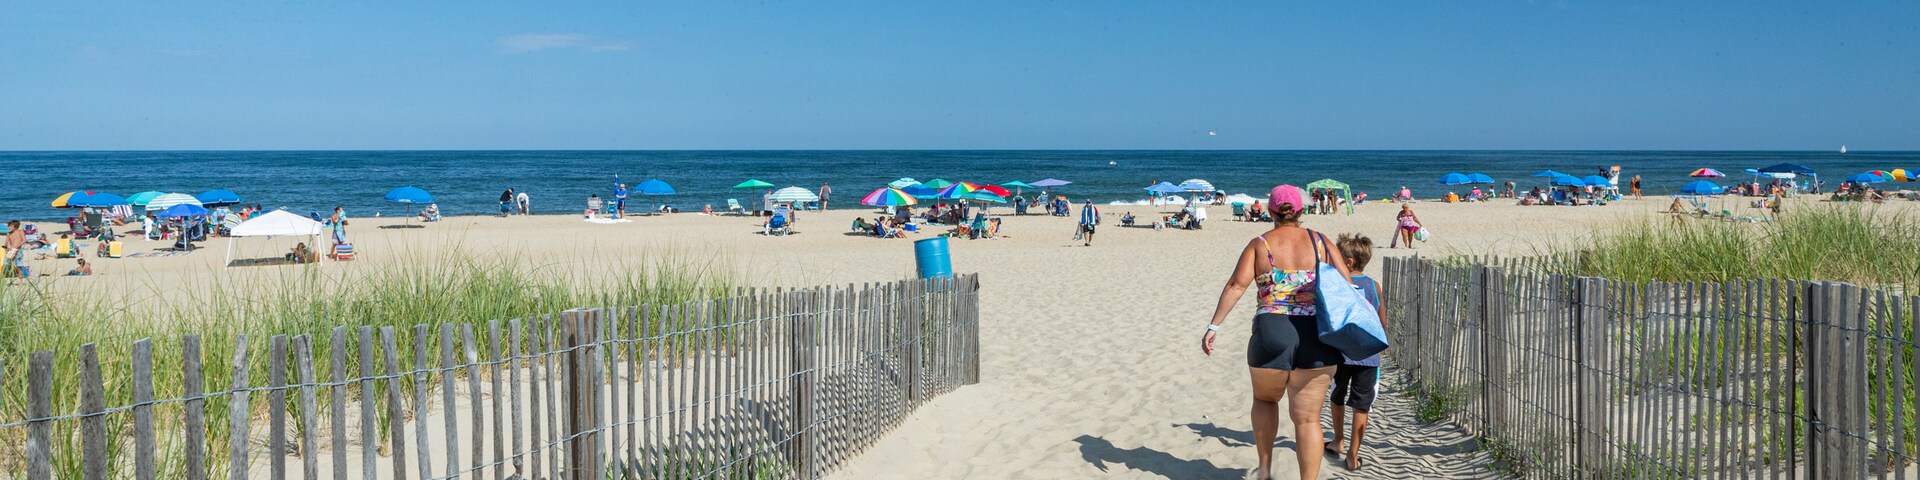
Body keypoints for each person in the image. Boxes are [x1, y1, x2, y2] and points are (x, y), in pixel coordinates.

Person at [1201, 185, 1354, 480]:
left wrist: (1213, 326)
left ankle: (1265, 471)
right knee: (1308, 420)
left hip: (1271, 331)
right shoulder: (1320, 241)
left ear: (1270, 211)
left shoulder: (1260, 244)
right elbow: (1346, 284)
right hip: (1316, 335)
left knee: (1265, 400)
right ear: (1301, 210)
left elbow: (1236, 285)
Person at [1325, 234, 1384, 471]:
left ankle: (1338, 440)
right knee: (1362, 404)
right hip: (1368, 355)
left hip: (1339, 353)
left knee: (1336, 395)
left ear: (1348, 262)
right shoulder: (1374, 286)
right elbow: (1382, 323)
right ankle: (1353, 455)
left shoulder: (1338, 285)